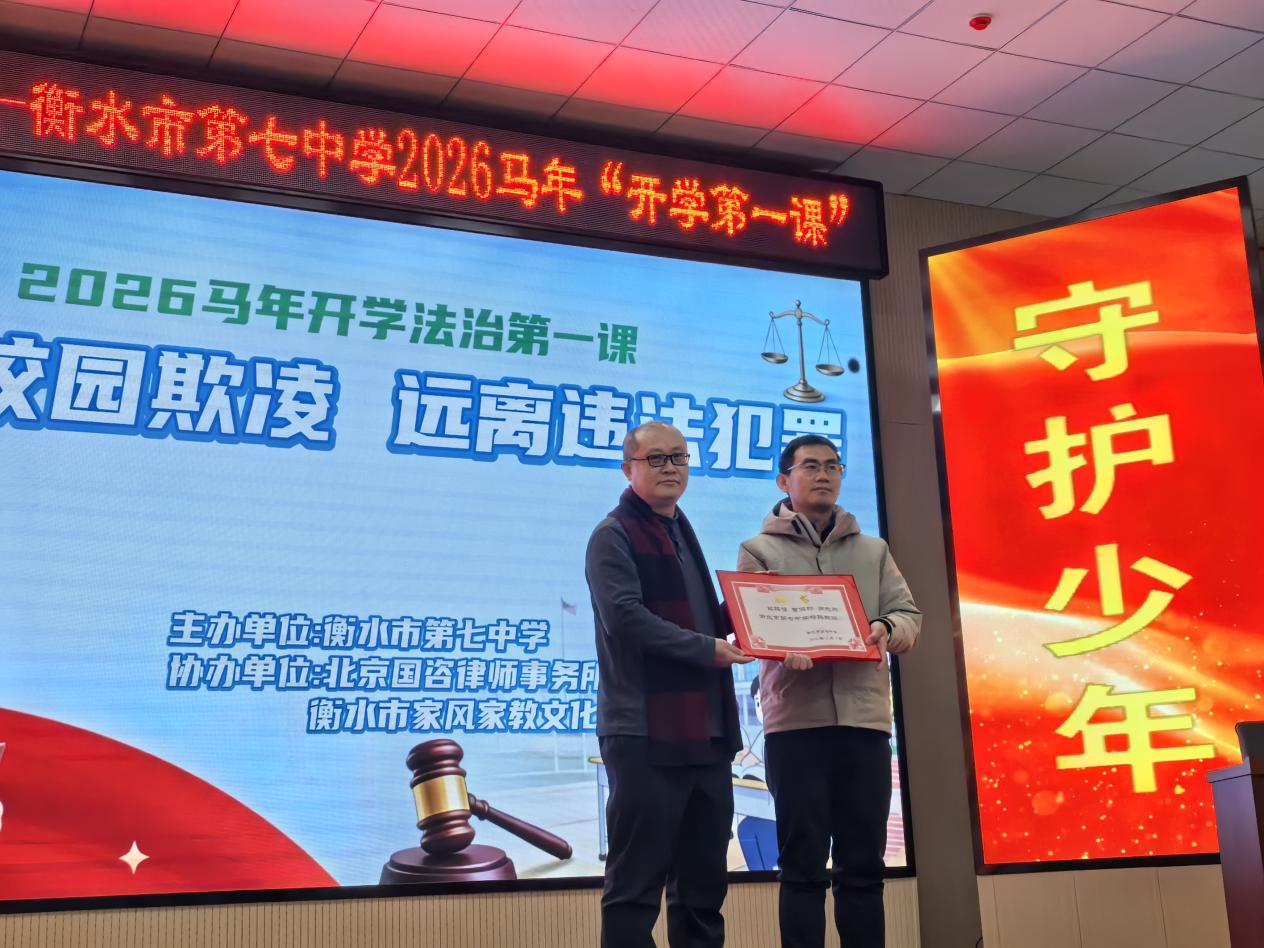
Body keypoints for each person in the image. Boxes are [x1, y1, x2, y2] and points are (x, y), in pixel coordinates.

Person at [736, 434, 921, 948]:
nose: (823, 475)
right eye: (810, 466)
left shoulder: (873, 550)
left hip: (864, 725)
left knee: (863, 865)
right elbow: (755, 627)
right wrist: (781, 650)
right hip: (797, 726)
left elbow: (908, 615)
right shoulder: (758, 550)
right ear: (784, 480)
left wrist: (886, 628)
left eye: (833, 466)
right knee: (802, 866)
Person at [586, 421, 754, 948]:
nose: (670, 468)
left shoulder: (680, 529)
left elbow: (703, 622)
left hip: (706, 736)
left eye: (679, 457)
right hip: (644, 734)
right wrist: (707, 649)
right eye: (656, 459)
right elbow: (626, 619)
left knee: (702, 891)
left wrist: (758, 608)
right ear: (628, 469)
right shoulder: (613, 534)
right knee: (635, 891)